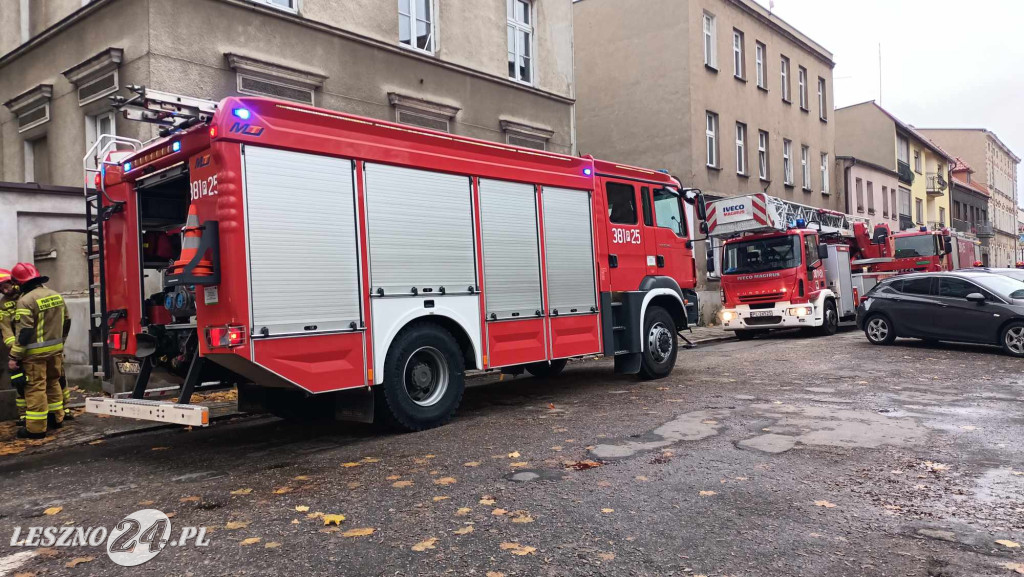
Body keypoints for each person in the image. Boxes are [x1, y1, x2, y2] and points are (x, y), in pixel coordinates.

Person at [8, 263, 70, 439]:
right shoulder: (56, 295)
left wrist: (14, 356)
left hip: (34, 356)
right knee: (53, 383)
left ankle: (36, 429)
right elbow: (67, 321)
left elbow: (24, 332)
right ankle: (56, 419)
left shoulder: (25, 301)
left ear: (20, 283)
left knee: (35, 389)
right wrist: (61, 342)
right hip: (55, 352)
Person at [0, 269, 26, 425]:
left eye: (5, 285)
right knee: (20, 383)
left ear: (12, 282)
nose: (4, 289)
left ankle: (61, 411)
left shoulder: (26, 295)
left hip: (35, 344)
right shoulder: (3, 304)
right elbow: (6, 330)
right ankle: (23, 415)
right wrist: (14, 350)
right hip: (18, 348)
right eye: (1, 288)